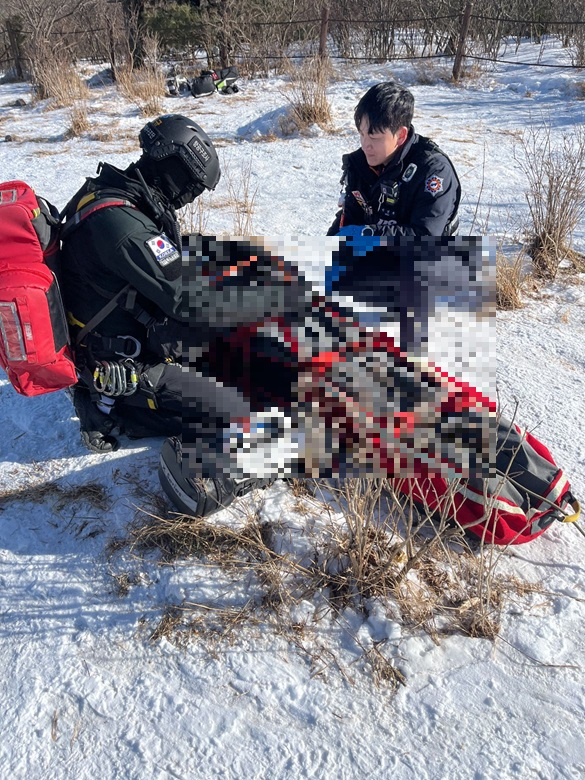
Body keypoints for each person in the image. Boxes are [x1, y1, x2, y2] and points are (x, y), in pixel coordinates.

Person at [60, 113, 272, 516]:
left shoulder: (111, 194)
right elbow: (186, 298)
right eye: (190, 186)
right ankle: (115, 412)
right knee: (252, 409)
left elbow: (168, 263)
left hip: (128, 339)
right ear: (169, 164)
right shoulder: (122, 225)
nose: (189, 197)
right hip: (130, 366)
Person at [327, 81, 461, 237]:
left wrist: (369, 234)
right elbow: (350, 216)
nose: (365, 145)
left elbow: (426, 235)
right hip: (380, 252)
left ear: (400, 136)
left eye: (374, 137)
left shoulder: (433, 171)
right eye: (362, 135)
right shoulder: (360, 163)